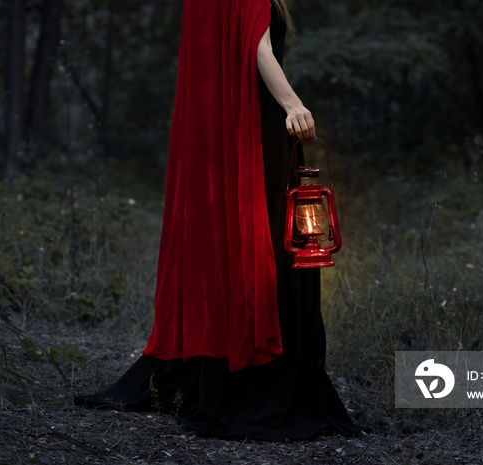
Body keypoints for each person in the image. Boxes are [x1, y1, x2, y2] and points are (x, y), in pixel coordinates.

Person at [74, 0, 364, 440]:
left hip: (224, 135)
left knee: (238, 243)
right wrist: (293, 104)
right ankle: (266, 376)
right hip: (260, 129)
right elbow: (258, 47)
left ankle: (222, 372)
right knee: (277, 242)